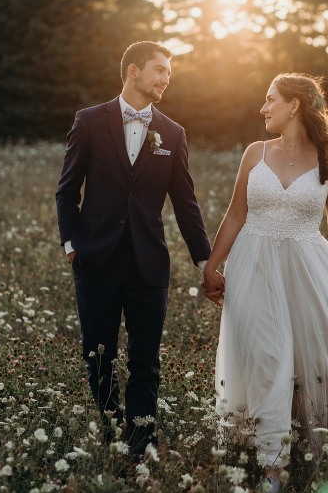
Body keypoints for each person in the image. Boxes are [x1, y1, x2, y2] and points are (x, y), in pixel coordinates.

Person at [201, 73, 328, 491]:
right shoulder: (255, 153)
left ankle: (322, 451)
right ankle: (272, 466)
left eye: (269, 100)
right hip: (253, 265)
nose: (262, 108)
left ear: (294, 106)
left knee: (316, 363)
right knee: (267, 358)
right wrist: (212, 266)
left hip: (310, 268)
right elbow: (236, 214)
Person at [56, 41, 215, 460]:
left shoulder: (174, 133)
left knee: (146, 361)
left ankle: (140, 444)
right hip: (96, 261)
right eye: (159, 69)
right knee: (98, 357)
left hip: (149, 265)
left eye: (169, 72)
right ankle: (111, 433)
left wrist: (206, 261)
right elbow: (67, 190)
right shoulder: (89, 121)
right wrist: (72, 246)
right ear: (133, 71)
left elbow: (186, 202)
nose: (166, 78)